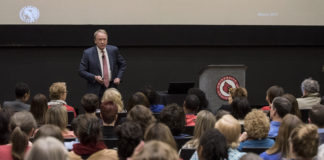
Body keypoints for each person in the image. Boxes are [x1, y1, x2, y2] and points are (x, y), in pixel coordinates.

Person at [79, 29, 127, 99]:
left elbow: (123, 64)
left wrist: (118, 77)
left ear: (107, 40)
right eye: (100, 39)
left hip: (112, 88)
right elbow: (81, 71)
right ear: (95, 41)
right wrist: (94, 77)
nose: (102, 42)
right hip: (95, 89)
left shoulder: (113, 50)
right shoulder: (88, 53)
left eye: (104, 39)